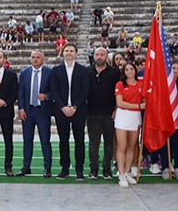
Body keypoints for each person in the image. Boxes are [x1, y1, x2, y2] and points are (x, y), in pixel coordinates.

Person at [50, 44, 90, 181]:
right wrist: (63, 107)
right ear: (63, 53)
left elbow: (85, 91)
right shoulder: (56, 70)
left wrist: (74, 106)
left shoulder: (84, 71)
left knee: (79, 141)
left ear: (76, 53)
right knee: (63, 141)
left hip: (78, 111)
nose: (69, 53)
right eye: (66, 50)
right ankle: (65, 168)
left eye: (71, 50)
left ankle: (79, 170)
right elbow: (53, 91)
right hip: (61, 111)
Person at [17, 50, 53, 178]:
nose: (35, 59)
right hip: (28, 111)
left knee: (45, 140)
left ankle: (47, 168)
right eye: (33, 57)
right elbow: (20, 91)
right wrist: (21, 109)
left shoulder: (49, 72)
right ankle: (26, 167)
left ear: (43, 59)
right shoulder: (24, 72)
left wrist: (47, 95)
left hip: (42, 111)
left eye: (38, 57)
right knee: (27, 140)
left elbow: (54, 90)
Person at [87, 48, 121, 180]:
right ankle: (93, 169)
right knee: (93, 144)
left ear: (107, 57)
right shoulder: (87, 72)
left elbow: (119, 93)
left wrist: (116, 109)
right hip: (92, 114)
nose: (99, 57)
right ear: (93, 56)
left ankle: (107, 169)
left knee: (109, 143)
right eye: (97, 54)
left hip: (109, 114)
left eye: (102, 54)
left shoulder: (115, 73)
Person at [114, 63, 144, 187]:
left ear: (135, 70)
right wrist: (138, 106)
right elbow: (120, 103)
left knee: (132, 146)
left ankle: (127, 172)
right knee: (122, 146)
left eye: (131, 69)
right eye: (126, 69)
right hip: (122, 116)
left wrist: (142, 105)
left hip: (135, 117)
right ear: (123, 72)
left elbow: (145, 100)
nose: (129, 71)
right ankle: (121, 174)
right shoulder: (120, 84)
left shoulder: (141, 84)